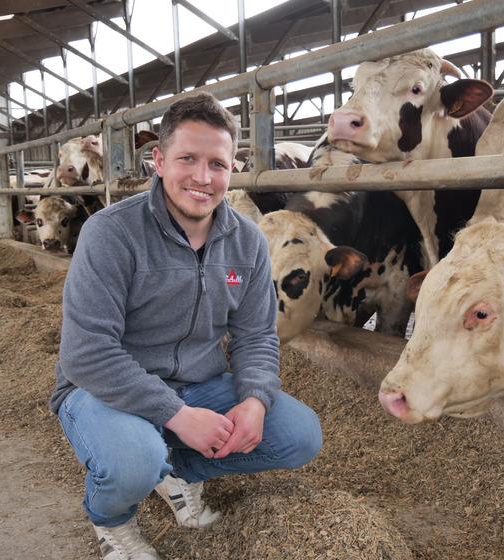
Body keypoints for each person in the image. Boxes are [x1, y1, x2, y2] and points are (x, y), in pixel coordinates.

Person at [50, 91, 322, 560]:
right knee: (131, 461)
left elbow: (256, 335)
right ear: (158, 160)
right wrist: (178, 417)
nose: (202, 177)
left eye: (216, 163)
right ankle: (111, 519)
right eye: (187, 159)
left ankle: (173, 471)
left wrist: (255, 399)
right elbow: (87, 352)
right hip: (102, 389)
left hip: (198, 382)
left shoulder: (248, 242)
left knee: (298, 435)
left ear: (232, 167)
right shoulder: (111, 233)